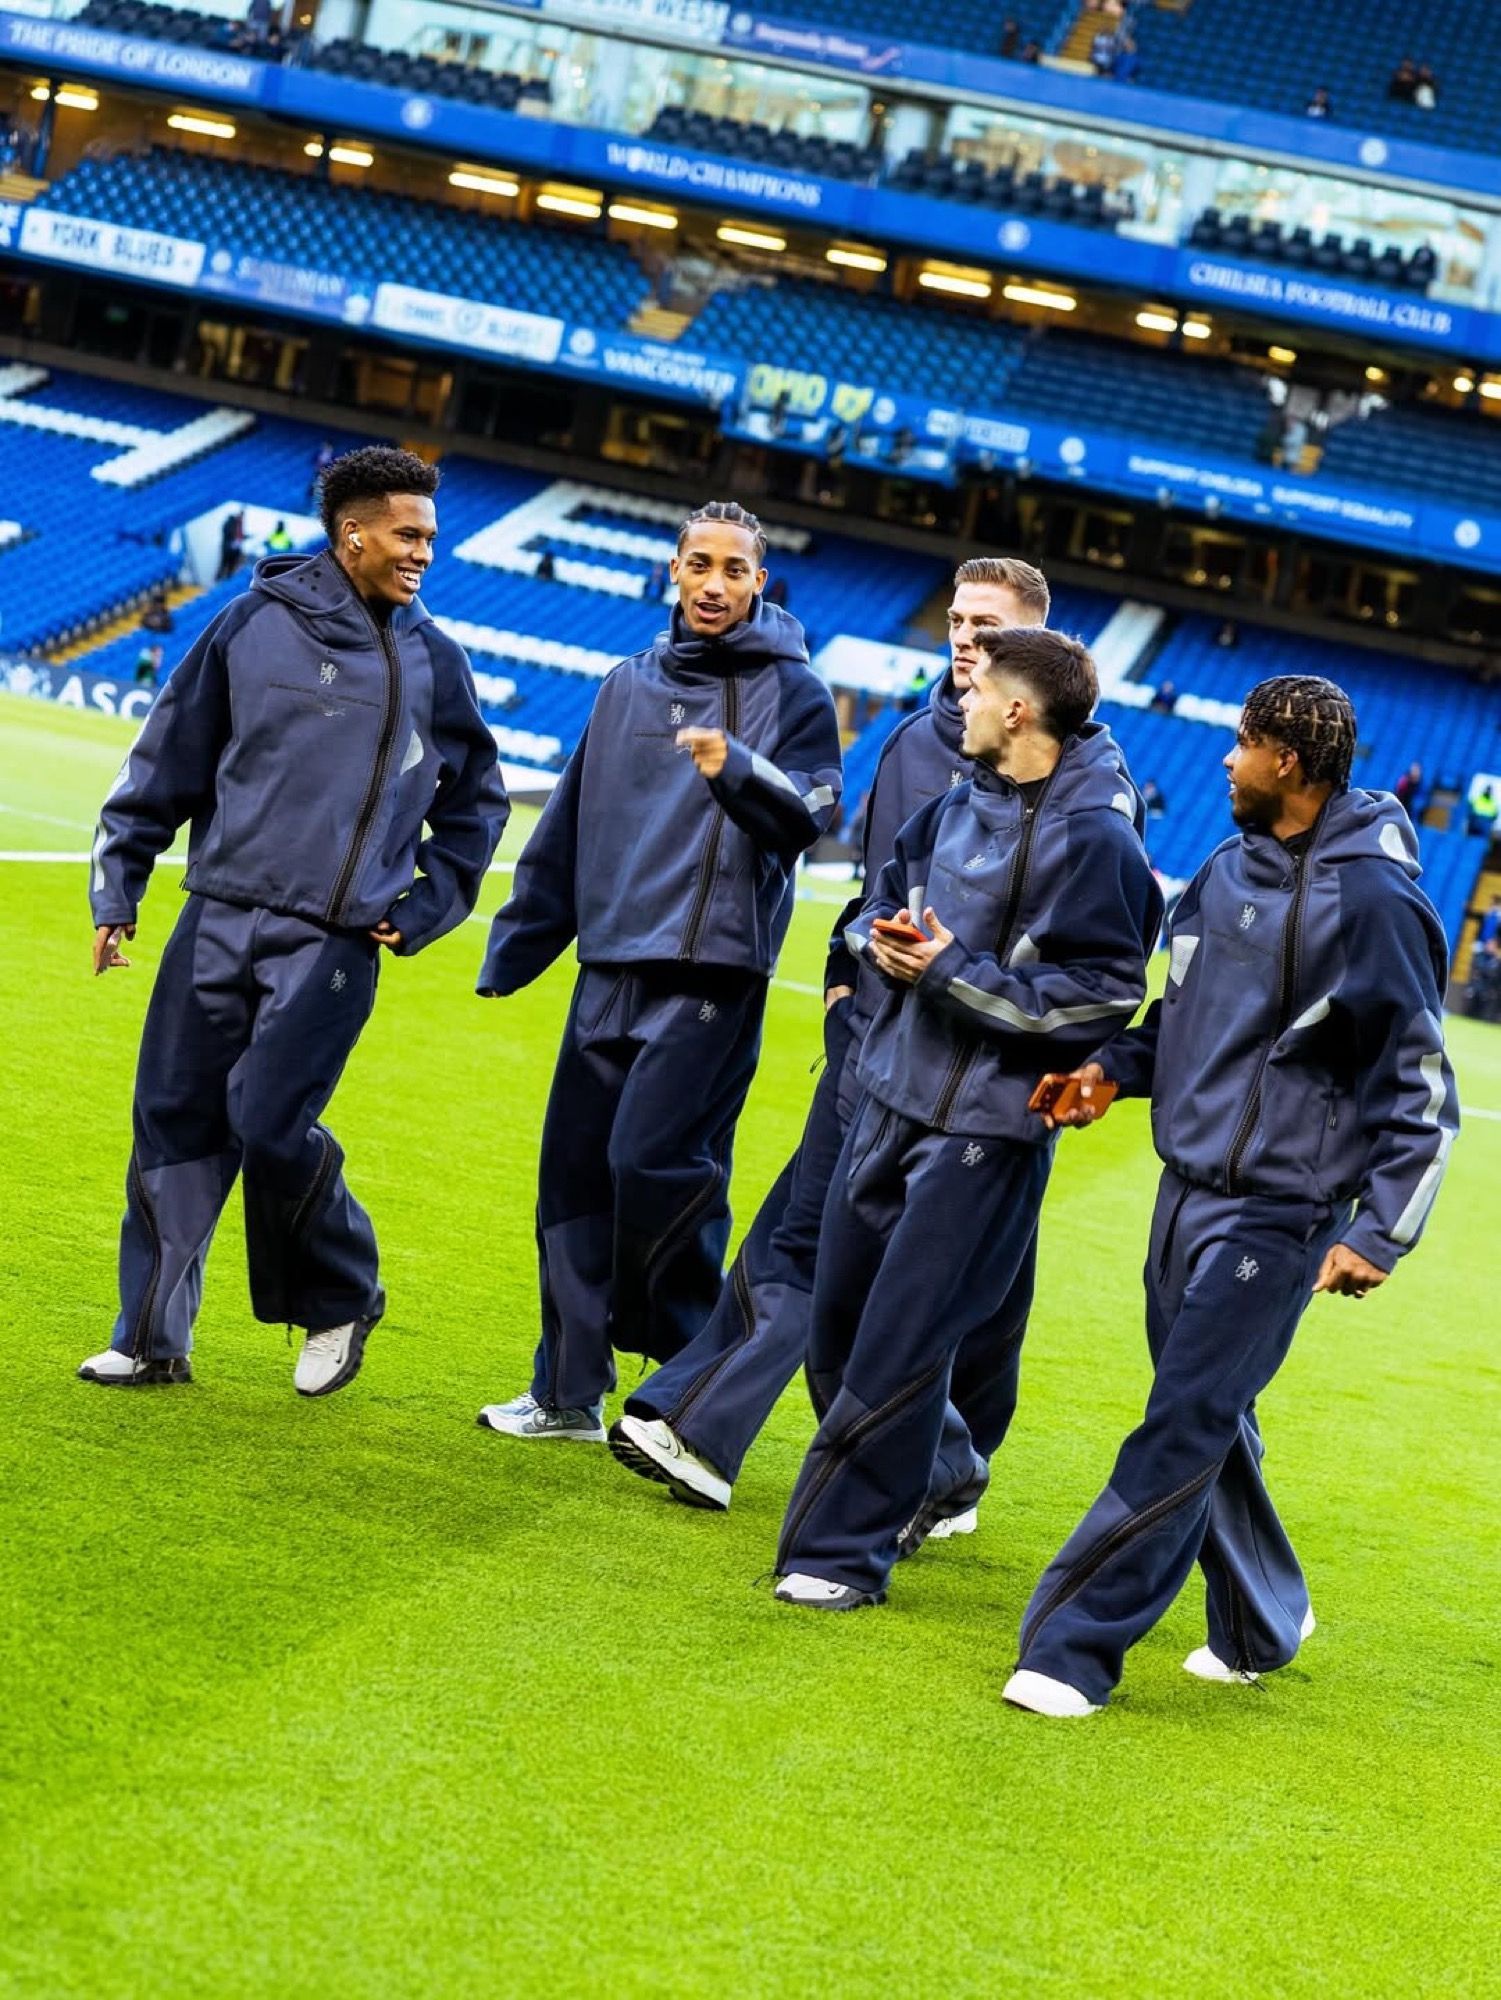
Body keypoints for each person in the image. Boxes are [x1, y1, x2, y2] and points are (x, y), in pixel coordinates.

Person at [1004, 675, 1458, 1717]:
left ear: (1285, 762)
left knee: (1181, 1421)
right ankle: (1260, 1619)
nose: (1223, 758)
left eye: (1241, 742)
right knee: (1208, 1414)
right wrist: (1110, 1070)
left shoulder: (1375, 899)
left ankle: (1070, 1649)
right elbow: (1180, 1019)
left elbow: (1417, 1079)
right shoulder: (1219, 868)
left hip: (1281, 1209)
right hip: (1182, 1192)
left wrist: (1381, 1231)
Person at [609, 560, 1059, 1521]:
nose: (965, 638)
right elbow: (873, 886)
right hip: (868, 1039)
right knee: (805, 1237)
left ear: (1034, 646)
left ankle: (934, 1462)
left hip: (961, 1071)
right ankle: (706, 1426)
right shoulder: (910, 742)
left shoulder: (1068, 783)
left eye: (988, 625)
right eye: (957, 619)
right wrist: (839, 977)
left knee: (916, 1279)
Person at [79, 447, 508, 1392]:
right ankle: (149, 1337)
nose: (423, 553)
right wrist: (120, 888)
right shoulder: (248, 625)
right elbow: (166, 758)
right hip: (216, 916)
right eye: (408, 535)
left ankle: (341, 1296)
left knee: (271, 1124)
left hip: (333, 939)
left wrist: (428, 903)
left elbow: (477, 802)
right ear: (352, 533)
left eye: (430, 538)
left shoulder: (433, 659)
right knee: (174, 1123)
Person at [771, 627, 1162, 1610]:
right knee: (836, 1333)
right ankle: (942, 1468)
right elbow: (882, 900)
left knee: (899, 1347)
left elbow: (1105, 994)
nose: (965, 699)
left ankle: (838, 1557)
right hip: (888, 1096)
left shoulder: (1098, 838)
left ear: (1018, 711)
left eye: (980, 688)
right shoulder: (953, 803)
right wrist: (884, 942)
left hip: (986, 1132)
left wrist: (950, 973)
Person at [474, 500, 842, 1443]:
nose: (714, 583)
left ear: (759, 583)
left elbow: (809, 817)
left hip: (712, 973)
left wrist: (736, 769)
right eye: (699, 564)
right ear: (671, 571)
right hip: (609, 964)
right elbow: (569, 818)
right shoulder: (624, 685)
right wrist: (520, 942)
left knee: (653, 1168)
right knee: (571, 1181)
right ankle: (565, 1393)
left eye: (733, 569)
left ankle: (688, 1380)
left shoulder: (794, 692)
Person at [216, 508, 245, 581]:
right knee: (224, 564)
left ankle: (227, 579)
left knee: (231, 565)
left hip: (235, 548)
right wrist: (232, 540)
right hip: (227, 548)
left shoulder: (239, 524)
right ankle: (218, 579)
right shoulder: (230, 523)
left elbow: (239, 536)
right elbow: (227, 533)